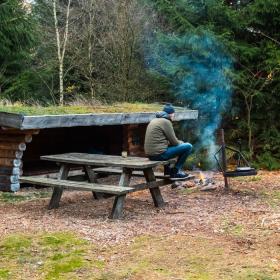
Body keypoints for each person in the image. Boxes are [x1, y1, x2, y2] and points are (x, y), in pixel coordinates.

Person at [144, 103, 192, 180]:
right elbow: (175, 142)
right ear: (171, 114)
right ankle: (176, 171)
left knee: (171, 146)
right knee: (188, 146)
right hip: (159, 155)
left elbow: (164, 141)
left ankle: (168, 170)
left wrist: (179, 144)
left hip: (150, 155)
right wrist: (182, 143)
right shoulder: (166, 122)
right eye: (173, 114)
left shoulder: (154, 120)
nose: (174, 116)